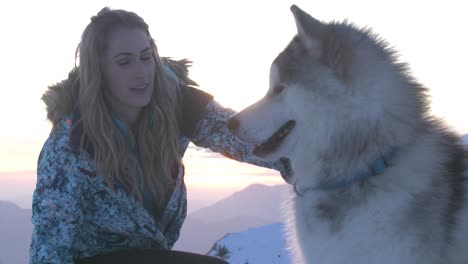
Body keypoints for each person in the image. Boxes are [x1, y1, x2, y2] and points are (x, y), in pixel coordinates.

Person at [29, 7, 289, 264]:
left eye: (145, 57)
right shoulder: (72, 145)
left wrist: (304, 159)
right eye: (124, 62)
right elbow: (50, 244)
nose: (141, 72)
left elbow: (240, 137)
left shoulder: (177, 103)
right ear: (99, 70)